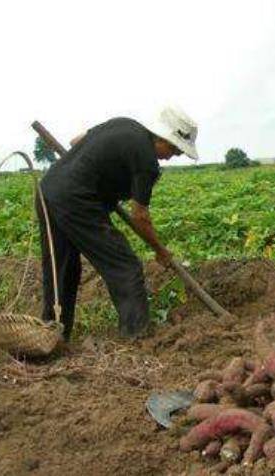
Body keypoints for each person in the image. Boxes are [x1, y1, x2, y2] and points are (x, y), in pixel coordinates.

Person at [37, 106, 199, 340]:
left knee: (60, 268)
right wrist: (161, 251)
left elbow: (76, 141)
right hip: (77, 201)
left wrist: (102, 173)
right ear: (162, 137)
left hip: (48, 190)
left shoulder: (122, 124)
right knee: (125, 266)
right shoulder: (147, 162)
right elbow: (140, 217)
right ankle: (137, 338)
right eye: (174, 150)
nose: (172, 156)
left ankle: (51, 337)